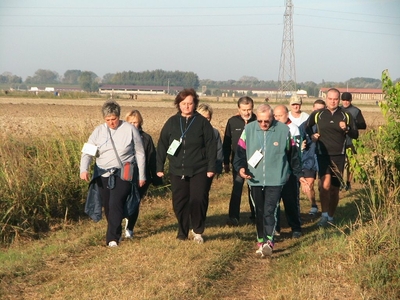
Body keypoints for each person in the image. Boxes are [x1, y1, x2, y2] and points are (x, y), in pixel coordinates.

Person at [234, 104, 306, 258]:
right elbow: (239, 153)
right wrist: (240, 168)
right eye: (260, 121)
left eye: (266, 121)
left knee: (270, 210)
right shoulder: (248, 130)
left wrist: (299, 175)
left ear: (272, 118)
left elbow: (293, 155)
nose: (263, 124)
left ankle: (269, 242)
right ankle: (261, 240)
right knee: (259, 211)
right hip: (255, 178)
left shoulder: (284, 131)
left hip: (276, 178)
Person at [80, 100, 146, 247]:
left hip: (124, 172)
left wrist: (142, 175)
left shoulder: (130, 129)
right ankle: (116, 229)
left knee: (115, 202)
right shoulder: (98, 131)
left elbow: (140, 153)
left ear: (119, 116)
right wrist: (83, 169)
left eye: (114, 119)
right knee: (108, 206)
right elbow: (87, 152)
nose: (111, 122)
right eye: (108, 120)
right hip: (103, 173)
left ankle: (112, 239)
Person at [156, 88, 217, 243]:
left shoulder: (202, 123)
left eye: (190, 103)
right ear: (178, 104)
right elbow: (162, 144)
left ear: (195, 104)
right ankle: (182, 232)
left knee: (198, 199)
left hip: (199, 168)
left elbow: (211, 145)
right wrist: (159, 167)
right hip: (177, 169)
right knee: (179, 202)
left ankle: (197, 231)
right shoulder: (172, 122)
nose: (187, 106)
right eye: (183, 103)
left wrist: (211, 168)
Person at [305, 88, 358, 227]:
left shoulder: (345, 115)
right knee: (325, 185)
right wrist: (312, 136)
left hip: (339, 155)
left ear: (339, 100)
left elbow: (355, 134)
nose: (333, 101)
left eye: (335, 99)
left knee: (334, 188)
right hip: (322, 154)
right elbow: (307, 127)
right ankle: (323, 215)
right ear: (326, 99)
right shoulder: (318, 114)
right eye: (330, 99)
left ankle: (331, 216)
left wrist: (346, 129)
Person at [124, 109, 163, 239]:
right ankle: (119, 223)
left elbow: (152, 158)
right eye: (130, 122)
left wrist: (156, 177)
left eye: (136, 122)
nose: (133, 125)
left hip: (141, 176)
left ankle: (130, 228)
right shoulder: (121, 137)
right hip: (125, 174)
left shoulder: (146, 138)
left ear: (140, 123)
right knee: (122, 201)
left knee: (135, 201)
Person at [223, 96, 257, 226]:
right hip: (237, 162)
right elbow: (226, 143)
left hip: (255, 162)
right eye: (244, 110)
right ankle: (233, 217)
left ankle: (255, 215)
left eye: (249, 109)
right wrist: (226, 161)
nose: (246, 112)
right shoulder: (232, 122)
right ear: (239, 109)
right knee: (237, 188)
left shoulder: (258, 120)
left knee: (254, 189)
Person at [273, 104, 302, 238]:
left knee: (290, 201)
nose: (277, 118)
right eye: (275, 116)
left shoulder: (293, 129)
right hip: (274, 172)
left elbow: (295, 153)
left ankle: (295, 227)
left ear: (287, 115)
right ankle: (275, 228)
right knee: (274, 202)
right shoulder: (272, 128)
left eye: (280, 115)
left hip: (289, 172)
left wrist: (295, 172)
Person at [299, 99, 326, 215]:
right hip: (308, 158)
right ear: (312, 109)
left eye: (321, 110)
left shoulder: (327, 125)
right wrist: (302, 144)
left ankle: (325, 207)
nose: (318, 112)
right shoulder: (304, 125)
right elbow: (298, 140)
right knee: (309, 184)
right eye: (316, 109)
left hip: (323, 157)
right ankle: (313, 205)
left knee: (323, 185)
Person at [341, 92, 367, 190]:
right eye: (344, 100)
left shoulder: (356, 111)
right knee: (340, 163)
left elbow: (363, 125)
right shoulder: (338, 110)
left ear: (351, 100)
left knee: (351, 163)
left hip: (352, 140)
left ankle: (348, 182)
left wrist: (353, 124)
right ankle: (340, 182)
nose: (346, 102)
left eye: (347, 100)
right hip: (340, 141)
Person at [197, 103, 224, 198]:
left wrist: (217, 168)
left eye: (208, 118)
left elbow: (219, 151)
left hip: (208, 168)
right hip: (194, 168)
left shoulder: (214, 133)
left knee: (204, 193)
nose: (206, 120)